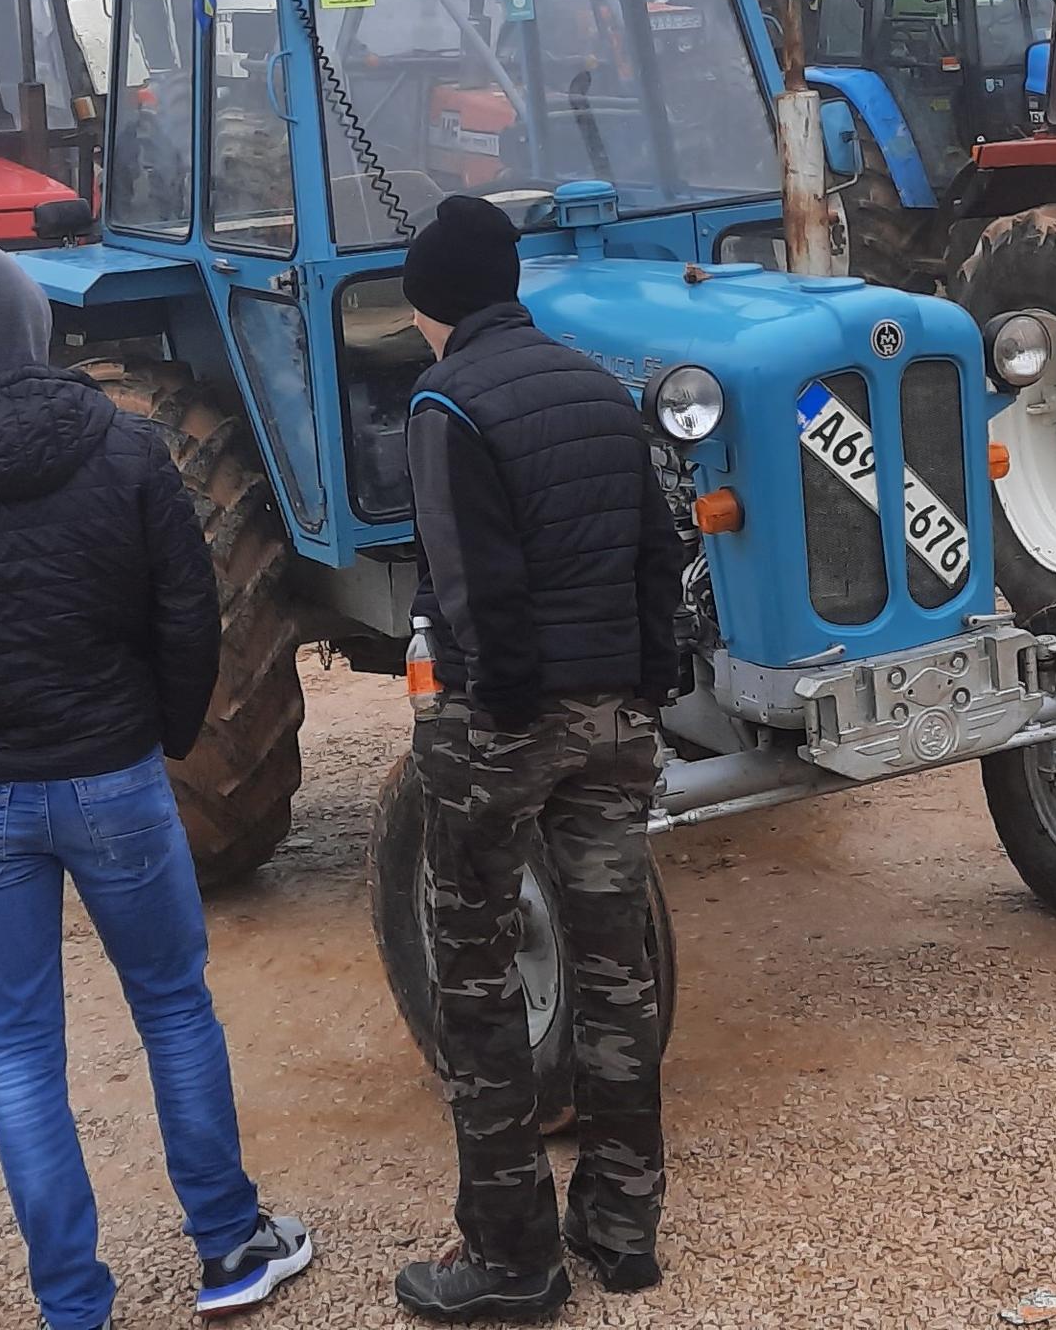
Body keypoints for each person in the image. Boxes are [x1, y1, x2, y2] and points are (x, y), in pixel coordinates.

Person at [0, 243, 313, 1325]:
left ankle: (71, 1301)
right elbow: (191, 618)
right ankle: (231, 1248)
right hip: (114, 778)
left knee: (17, 1047)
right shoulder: (126, 449)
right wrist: (157, 736)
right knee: (175, 1007)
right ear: (35, 331)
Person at [388, 193, 685, 1325]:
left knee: (476, 986)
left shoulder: (444, 402)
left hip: (504, 725)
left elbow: (472, 584)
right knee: (616, 974)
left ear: (433, 304)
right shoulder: (604, 390)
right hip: (620, 716)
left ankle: (512, 1258)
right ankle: (624, 1226)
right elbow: (659, 559)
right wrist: (645, 685)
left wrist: (503, 707)